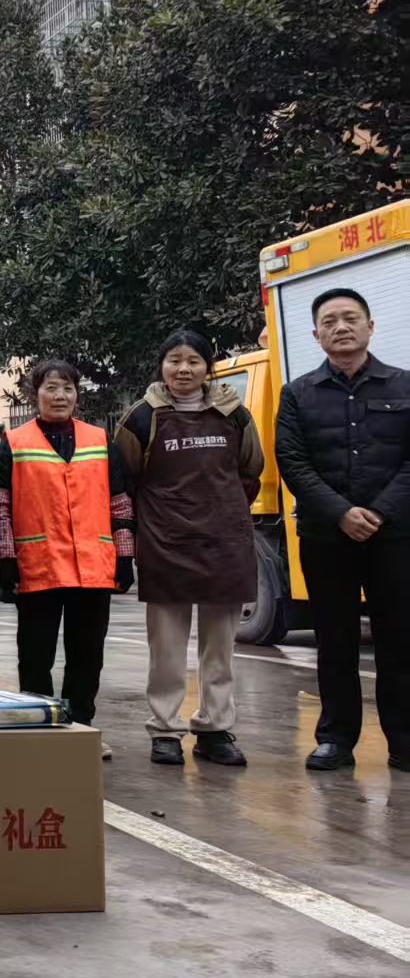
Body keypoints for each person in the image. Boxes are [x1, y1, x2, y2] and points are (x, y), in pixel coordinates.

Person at [274, 288, 410, 772]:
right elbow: (292, 461)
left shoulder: (404, 385)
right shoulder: (297, 394)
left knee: (399, 641)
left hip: (394, 538)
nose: (341, 327)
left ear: (370, 326)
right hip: (326, 537)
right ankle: (335, 738)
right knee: (335, 642)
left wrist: (380, 512)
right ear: (317, 335)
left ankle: (404, 741)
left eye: (350, 318)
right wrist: (341, 513)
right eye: (329, 321)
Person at [114, 329, 263, 767]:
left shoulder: (234, 415)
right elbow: (124, 478)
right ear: (162, 366)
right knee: (166, 650)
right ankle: (164, 729)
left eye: (193, 361)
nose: (183, 369)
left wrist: (221, 511)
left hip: (224, 543)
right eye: (174, 360)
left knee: (220, 650)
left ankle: (215, 729)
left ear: (207, 367)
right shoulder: (141, 417)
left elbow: (251, 469)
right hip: (165, 544)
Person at [0, 359, 136, 756]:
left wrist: (125, 556)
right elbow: (0, 505)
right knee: (35, 655)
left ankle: (80, 726)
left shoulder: (99, 440)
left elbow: (120, 502)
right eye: (51, 388)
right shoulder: (14, 443)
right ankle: (38, 728)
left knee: (87, 656)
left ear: (77, 394)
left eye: (68, 388)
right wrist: (7, 557)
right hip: (37, 567)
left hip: (93, 568)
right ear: (34, 394)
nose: (60, 396)